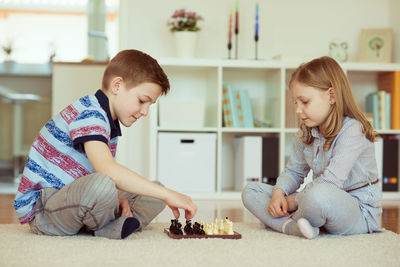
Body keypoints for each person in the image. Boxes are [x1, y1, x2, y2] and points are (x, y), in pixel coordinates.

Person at [14, 49, 197, 239]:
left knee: (153, 194)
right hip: (45, 211)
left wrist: (120, 198)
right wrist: (168, 194)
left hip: (73, 200)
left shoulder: (108, 121)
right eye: (142, 101)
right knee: (105, 184)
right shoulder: (90, 113)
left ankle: (109, 222)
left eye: (149, 105)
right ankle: (107, 227)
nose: (145, 112)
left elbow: (88, 179)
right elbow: (106, 170)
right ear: (117, 85)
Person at [242, 56, 383, 239]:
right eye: (295, 102)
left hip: (358, 211)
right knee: (251, 191)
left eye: (305, 102)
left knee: (318, 195)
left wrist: (293, 201)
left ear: (331, 96)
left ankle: (283, 222)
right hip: (314, 200)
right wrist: (279, 193)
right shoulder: (307, 132)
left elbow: (330, 183)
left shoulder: (353, 130)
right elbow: (293, 172)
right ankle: (294, 227)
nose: (298, 110)